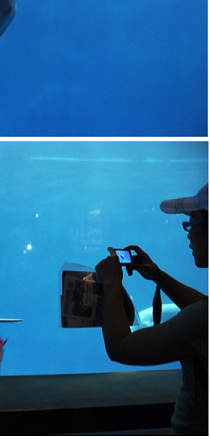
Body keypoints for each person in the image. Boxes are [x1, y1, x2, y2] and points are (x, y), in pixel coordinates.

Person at [95, 183, 208, 436]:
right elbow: (202, 305)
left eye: (193, 223)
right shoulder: (204, 314)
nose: (188, 233)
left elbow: (120, 347)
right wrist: (158, 276)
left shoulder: (203, 319)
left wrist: (112, 282)